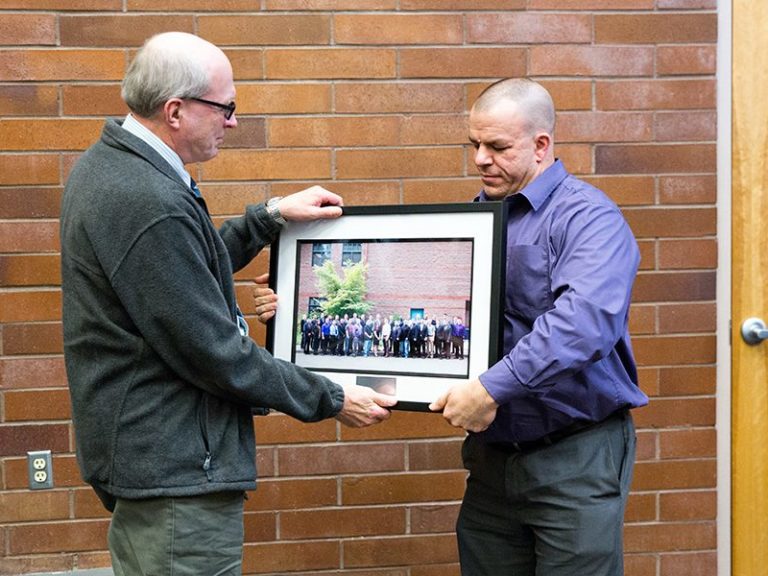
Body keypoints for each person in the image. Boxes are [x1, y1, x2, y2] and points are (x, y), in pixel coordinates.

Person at [59, 31, 395, 576]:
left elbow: (185, 268)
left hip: (154, 463)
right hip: (178, 477)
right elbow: (214, 350)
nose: (233, 122)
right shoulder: (149, 199)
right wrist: (331, 397)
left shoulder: (115, 168)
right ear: (175, 111)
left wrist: (269, 217)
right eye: (225, 108)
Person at [430, 78, 649, 576]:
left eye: (498, 147)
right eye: (475, 145)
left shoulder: (588, 217)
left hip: (574, 455)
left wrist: (490, 388)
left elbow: (584, 322)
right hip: (492, 463)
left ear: (541, 145)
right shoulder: (475, 218)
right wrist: (302, 303)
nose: (481, 159)